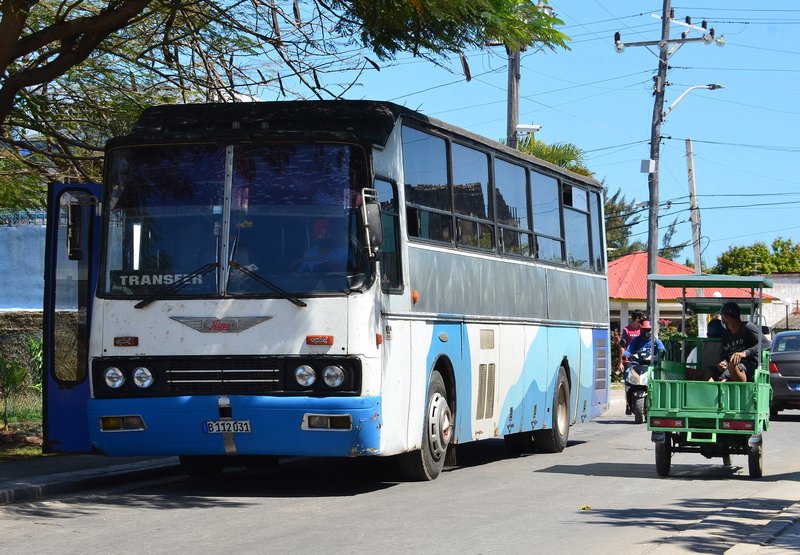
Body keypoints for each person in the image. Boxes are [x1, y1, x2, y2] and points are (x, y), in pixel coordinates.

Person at [716, 301, 772, 382]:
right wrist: (722, 362)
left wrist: (745, 353)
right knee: (707, 372)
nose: (722, 321)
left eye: (722, 318)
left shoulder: (748, 327)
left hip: (750, 366)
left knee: (732, 367)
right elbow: (723, 354)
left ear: (726, 317)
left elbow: (766, 344)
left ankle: (741, 388)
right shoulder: (725, 334)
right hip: (730, 367)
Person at [623, 320, 665, 414]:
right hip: (637, 364)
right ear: (641, 330)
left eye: (648, 330)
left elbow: (661, 349)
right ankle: (628, 403)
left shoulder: (655, 341)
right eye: (644, 330)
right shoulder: (636, 340)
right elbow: (628, 350)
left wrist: (660, 354)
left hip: (651, 365)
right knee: (627, 371)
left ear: (651, 330)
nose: (646, 332)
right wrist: (625, 355)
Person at [618, 310, 645, 375]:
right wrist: (620, 363)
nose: (642, 320)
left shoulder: (643, 330)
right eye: (641, 318)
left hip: (641, 360)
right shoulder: (626, 330)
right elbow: (622, 347)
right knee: (630, 378)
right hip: (629, 360)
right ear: (637, 318)